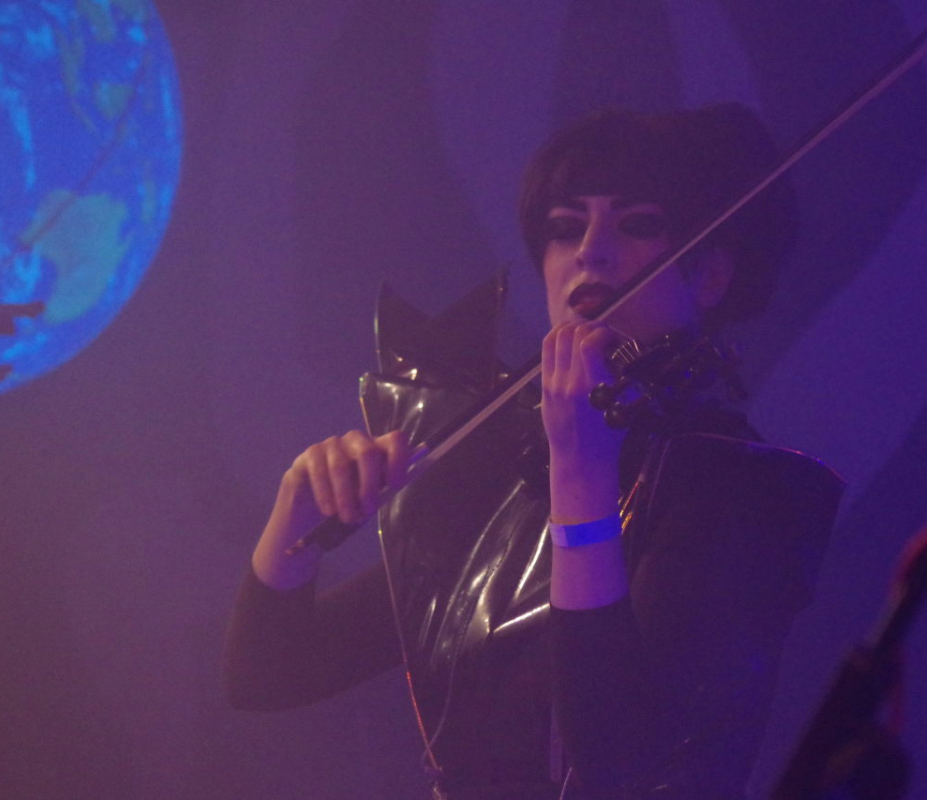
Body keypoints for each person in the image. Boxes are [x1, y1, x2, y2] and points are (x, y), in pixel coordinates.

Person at [224, 103, 842, 799]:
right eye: (565, 228)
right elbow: (268, 674)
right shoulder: (508, 483)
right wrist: (296, 520)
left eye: (638, 224)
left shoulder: (744, 493)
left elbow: (614, 758)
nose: (590, 252)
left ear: (711, 276)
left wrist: (581, 472)